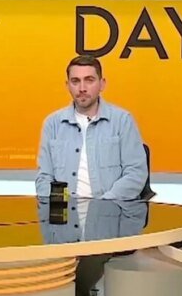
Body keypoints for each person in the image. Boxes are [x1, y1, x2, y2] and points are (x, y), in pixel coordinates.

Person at [36, 55, 148, 200]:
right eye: (75, 81)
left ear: (102, 84)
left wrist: (102, 205)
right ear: (67, 85)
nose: (82, 88)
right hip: (64, 211)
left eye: (89, 80)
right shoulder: (52, 124)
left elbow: (136, 173)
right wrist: (64, 207)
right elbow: (44, 179)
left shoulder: (122, 120)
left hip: (111, 209)